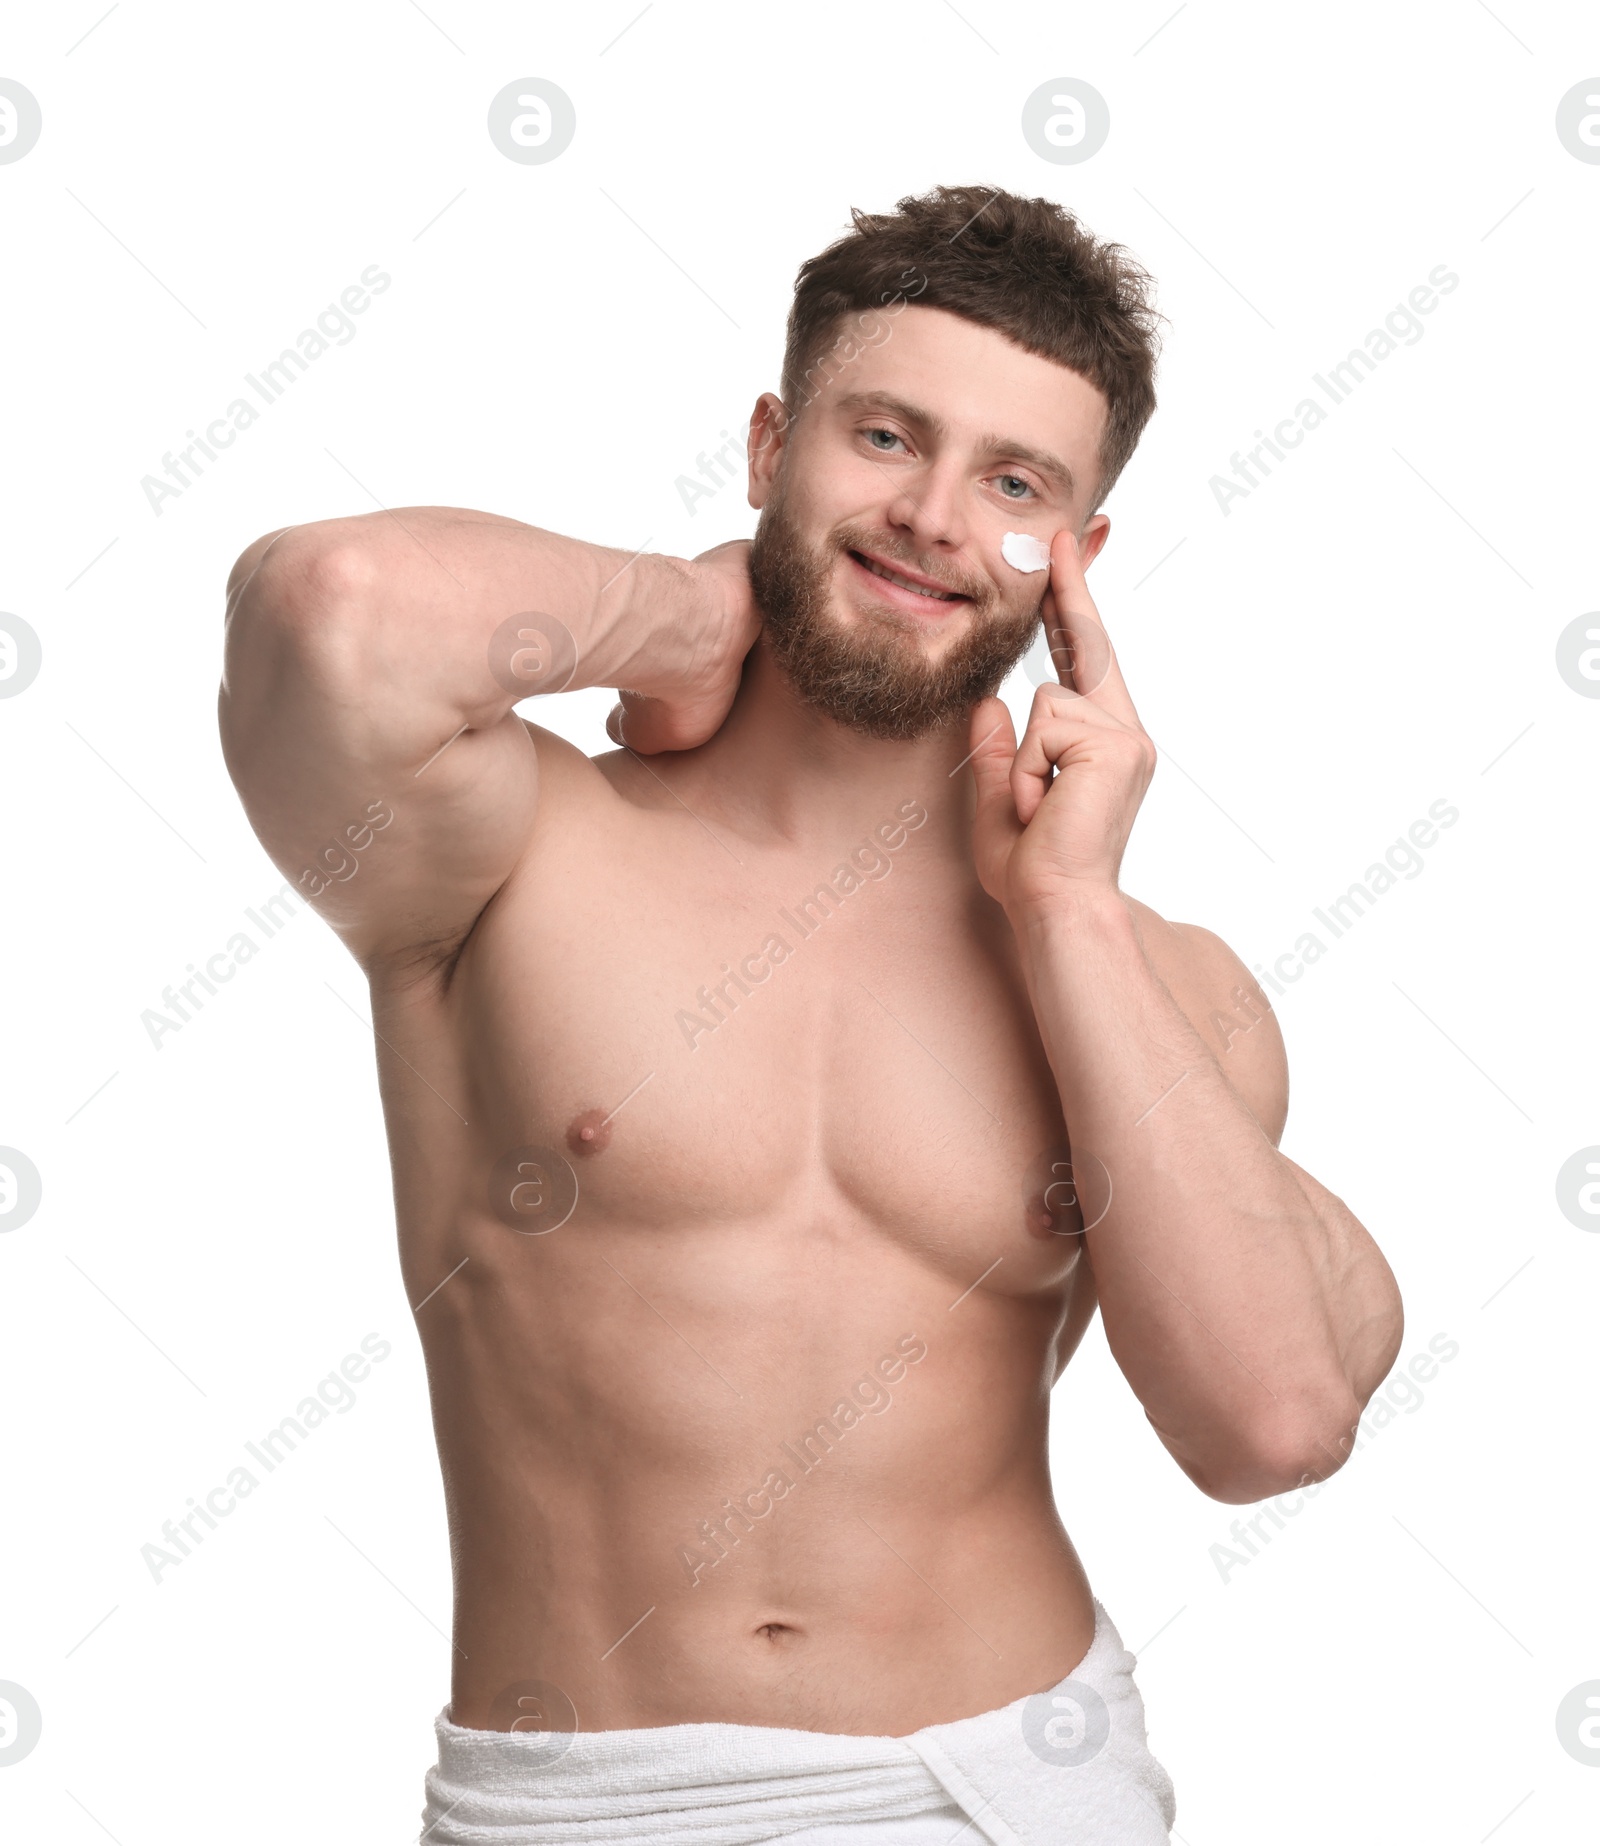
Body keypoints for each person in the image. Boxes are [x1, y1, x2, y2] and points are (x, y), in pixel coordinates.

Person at [219, 183, 1403, 1844]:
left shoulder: (1149, 981)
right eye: (883, 437)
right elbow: (325, 609)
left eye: (1012, 482)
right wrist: (692, 611)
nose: (930, 513)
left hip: (1010, 1778)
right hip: (588, 1795)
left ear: (1079, 554)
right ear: (773, 443)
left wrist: (1064, 909)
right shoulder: (513, 849)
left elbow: (1276, 1423)